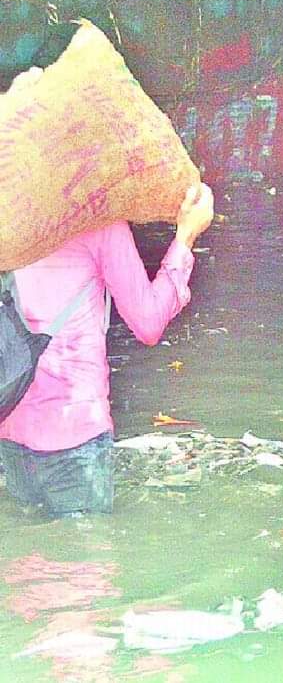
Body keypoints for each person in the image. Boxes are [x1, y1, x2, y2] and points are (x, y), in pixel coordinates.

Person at [0, 184, 214, 517]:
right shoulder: (99, 224)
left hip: (9, 426)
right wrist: (185, 236)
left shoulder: (9, 216)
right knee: (86, 559)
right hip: (75, 432)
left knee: (27, 560)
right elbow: (148, 321)